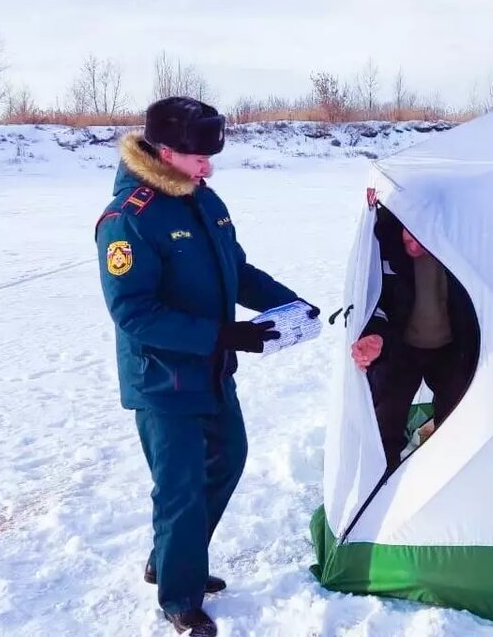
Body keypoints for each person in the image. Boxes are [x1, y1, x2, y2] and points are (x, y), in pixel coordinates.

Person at [95, 97, 318, 636]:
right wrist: (222, 334)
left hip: (212, 370)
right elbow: (134, 313)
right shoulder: (129, 220)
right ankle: (180, 597)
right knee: (180, 490)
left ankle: (172, 557)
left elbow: (234, 270)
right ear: (165, 152)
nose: (208, 167)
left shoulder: (203, 200)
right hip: (163, 380)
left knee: (230, 458)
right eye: (198, 158)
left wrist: (289, 305)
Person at [351, 209, 479, 470]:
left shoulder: (462, 254)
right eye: (409, 236)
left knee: (457, 417)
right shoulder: (384, 248)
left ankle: (447, 475)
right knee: (386, 420)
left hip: (451, 350)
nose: (415, 244)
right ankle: (382, 479)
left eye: (423, 238)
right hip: (400, 349)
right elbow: (374, 302)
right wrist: (374, 336)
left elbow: (476, 310)